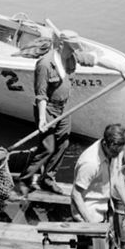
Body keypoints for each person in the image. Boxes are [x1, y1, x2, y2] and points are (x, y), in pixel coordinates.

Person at [15, 26, 74, 194]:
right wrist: (42, 119)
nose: (74, 51)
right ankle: (24, 179)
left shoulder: (71, 57)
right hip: (48, 109)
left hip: (65, 108)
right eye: (72, 47)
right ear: (62, 45)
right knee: (47, 147)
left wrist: (122, 70)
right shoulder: (45, 64)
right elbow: (41, 95)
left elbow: (93, 59)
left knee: (63, 143)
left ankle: (48, 179)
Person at [70, 123, 125, 249]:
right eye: (114, 151)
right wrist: (91, 224)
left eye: (120, 150)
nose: (117, 154)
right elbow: (76, 195)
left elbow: (117, 176)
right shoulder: (90, 163)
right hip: (88, 213)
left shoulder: (116, 151)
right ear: (105, 143)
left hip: (104, 206)